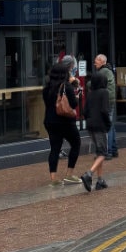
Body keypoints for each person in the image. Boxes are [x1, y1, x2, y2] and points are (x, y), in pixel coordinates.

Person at [43, 55, 82, 185]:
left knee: (55, 148)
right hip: (65, 121)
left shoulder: (47, 88)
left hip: (50, 121)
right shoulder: (66, 87)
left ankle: (53, 179)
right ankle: (69, 174)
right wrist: (76, 94)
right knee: (76, 143)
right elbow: (74, 104)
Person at [80, 71, 111, 192]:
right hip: (100, 125)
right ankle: (89, 174)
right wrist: (108, 123)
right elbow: (104, 110)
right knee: (103, 153)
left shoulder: (91, 93)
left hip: (90, 125)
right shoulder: (104, 92)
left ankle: (100, 180)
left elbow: (85, 111)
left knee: (99, 153)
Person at [94, 53, 118, 158]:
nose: (95, 63)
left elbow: (92, 84)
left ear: (102, 62)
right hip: (110, 100)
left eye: (96, 61)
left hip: (105, 101)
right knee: (110, 124)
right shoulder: (108, 71)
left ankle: (107, 152)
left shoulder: (103, 72)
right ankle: (113, 149)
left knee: (105, 126)